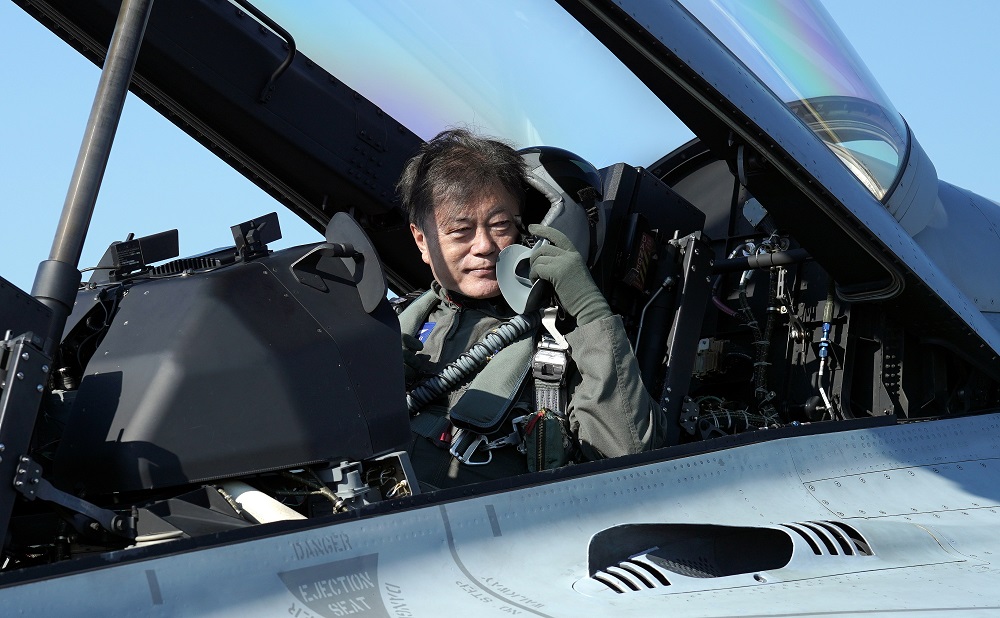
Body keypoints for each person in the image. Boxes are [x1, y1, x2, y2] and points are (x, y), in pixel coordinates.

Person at [396, 128, 664, 489]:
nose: (484, 246)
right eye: (460, 231)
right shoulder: (396, 325)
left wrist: (590, 314)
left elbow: (629, 458)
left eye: (500, 225)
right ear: (421, 241)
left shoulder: (569, 340)